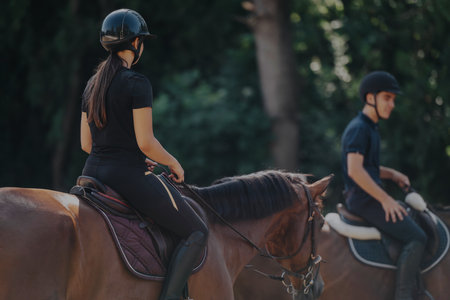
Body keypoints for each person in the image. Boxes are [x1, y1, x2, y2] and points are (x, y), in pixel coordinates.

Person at [80, 9, 208, 300]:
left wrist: (134, 154)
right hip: (126, 176)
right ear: (135, 44)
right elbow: (146, 141)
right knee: (197, 232)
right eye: (142, 42)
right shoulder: (137, 83)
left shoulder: (91, 86)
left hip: (90, 173)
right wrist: (173, 162)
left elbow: (86, 143)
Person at [341, 71, 427, 300]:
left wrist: (392, 174)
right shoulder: (360, 128)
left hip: (366, 196)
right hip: (363, 200)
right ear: (371, 97)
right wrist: (386, 200)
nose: (392, 104)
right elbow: (355, 170)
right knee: (417, 237)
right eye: (387, 98)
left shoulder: (370, 127)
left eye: (393, 99)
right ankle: (404, 295)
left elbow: (367, 167)